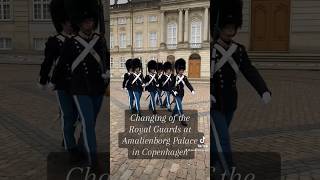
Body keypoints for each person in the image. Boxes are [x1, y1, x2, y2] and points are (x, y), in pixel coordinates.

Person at [210, 0, 272, 177]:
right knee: (223, 138)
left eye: (233, 27)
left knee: (219, 137)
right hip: (214, 103)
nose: (230, 31)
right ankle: (230, 171)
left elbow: (250, 71)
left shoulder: (239, 50)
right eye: (227, 27)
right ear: (219, 27)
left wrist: (263, 90)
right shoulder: (212, 50)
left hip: (230, 102)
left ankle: (213, 163)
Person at [59, 0, 108, 167]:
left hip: (98, 88)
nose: (90, 24)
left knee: (91, 122)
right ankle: (92, 159)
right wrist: (62, 85)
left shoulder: (100, 40)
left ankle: (82, 146)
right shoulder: (71, 43)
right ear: (79, 23)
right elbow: (62, 66)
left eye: (91, 21)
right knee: (87, 122)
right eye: (86, 21)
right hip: (80, 89)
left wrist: (107, 76)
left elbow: (106, 61)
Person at [38, 0, 79, 154]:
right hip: (62, 83)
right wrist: (43, 79)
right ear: (62, 23)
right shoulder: (54, 42)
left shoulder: (77, 40)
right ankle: (70, 146)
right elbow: (48, 62)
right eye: (69, 22)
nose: (72, 25)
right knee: (68, 115)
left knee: (75, 116)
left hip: (78, 83)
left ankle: (67, 136)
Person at [171, 58, 195, 125]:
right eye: (180, 70)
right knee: (180, 106)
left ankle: (173, 114)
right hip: (176, 94)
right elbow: (171, 85)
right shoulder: (174, 78)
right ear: (177, 70)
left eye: (182, 70)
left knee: (177, 105)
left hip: (181, 93)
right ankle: (182, 118)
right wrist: (174, 91)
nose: (181, 71)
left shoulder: (184, 77)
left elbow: (188, 84)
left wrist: (192, 89)